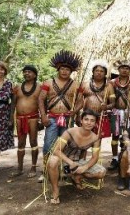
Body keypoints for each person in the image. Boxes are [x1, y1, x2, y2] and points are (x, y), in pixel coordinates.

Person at [38, 50, 82, 181]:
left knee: (66, 145)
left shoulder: (76, 85)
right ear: (58, 69)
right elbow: (40, 99)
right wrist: (43, 116)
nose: (64, 71)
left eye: (67, 69)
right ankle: (46, 170)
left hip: (68, 119)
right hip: (52, 118)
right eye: (62, 69)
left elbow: (81, 101)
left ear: (71, 71)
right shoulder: (48, 83)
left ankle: (63, 170)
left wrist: (75, 111)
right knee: (48, 144)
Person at [47, 109, 106, 204]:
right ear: (81, 121)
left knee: (101, 173)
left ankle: (76, 176)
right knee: (53, 160)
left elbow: (95, 157)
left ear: (95, 123)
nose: (89, 123)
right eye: (86, 119)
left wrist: (85, 167)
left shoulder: (95, 138)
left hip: (78, 162)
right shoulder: (70, 132)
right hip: (63, 161)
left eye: (92, 120)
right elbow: (56, 150)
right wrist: (71, 163)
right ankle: (55, 190)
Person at [10, 65, 41, 178]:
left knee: (33, 142)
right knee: (20, 143)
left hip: (33, 118)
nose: (27, 74)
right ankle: (20, 168)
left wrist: (42, 118)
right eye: (25, 72)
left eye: (29, 72)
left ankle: (33, 167)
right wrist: (10, 119)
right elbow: (13, 103)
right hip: (19, 119)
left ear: (35, 75)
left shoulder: (39, 87)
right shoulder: (17, 87)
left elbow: (43, 104)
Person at [76, 59, 115, 139]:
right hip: (86, 117)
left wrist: (106, 107)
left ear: (105, 74)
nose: (99, 73)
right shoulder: (84, 84)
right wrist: (77, 116)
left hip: (100, 117)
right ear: (93, 72)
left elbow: (113, 103)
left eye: (102, 71)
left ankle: (96, 152)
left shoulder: (109, 86)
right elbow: (78, 102)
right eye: (97, 70)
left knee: (97, 140)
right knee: (83, 139)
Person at [108, 60, 130, 170]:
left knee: (127, 136)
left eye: (127, 68)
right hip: (116, 112)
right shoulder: (112, 82)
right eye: (122, 68)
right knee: (115, 135)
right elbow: (109, 98)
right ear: (118, 70)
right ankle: (115, 158)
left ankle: (125, 156)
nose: (124, 70)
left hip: (128, 112)